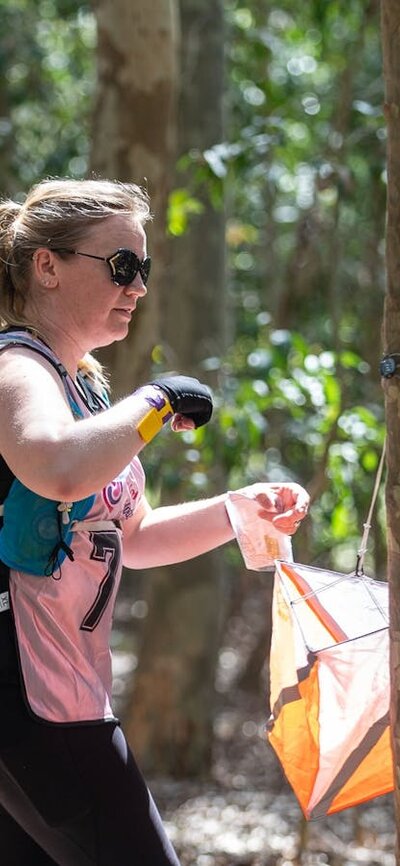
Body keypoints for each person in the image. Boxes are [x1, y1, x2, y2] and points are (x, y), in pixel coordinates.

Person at [0, 177, 309, 866]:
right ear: (47, 266)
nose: (138, 287)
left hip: (57, 698)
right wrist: (157, 401)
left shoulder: (83, 386)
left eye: (144, 269)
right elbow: (53, 465)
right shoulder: (18, 368)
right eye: (121, 267)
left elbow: (132, 537)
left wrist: (236, 511)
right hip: (34, 706)